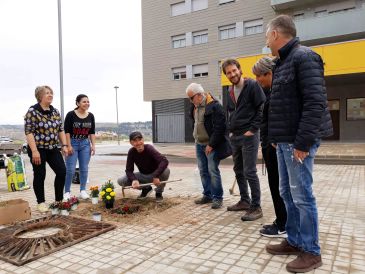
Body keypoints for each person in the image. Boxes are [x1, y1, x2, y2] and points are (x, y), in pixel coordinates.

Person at [265, 15, 333, 273]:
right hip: (284, 142)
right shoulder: (281, 62)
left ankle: (311, 251)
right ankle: (294, 240)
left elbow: (315, 103)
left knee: (302, 196)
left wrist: (302, 142)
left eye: (265, 35)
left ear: (274, 34)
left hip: (298, 142)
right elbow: (282, 107)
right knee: (287, 193)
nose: (265, 40)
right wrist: (275, 139)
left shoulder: (305, 57)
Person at [222, 58, 266, 221]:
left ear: (240, 70)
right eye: (228, 72)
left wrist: (253, 130)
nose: (232, 74)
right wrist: (230, 131)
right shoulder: (230, 91)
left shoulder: (252, 86)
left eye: (234, 70)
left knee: (250, 171)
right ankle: (245, 201)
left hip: (249, 135)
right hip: (236, 136)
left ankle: (256, 207)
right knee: (238, 170)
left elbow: (261, 108)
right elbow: (231, 112)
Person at [252, 57, 287, 238]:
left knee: (279, 187)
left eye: (260, 76)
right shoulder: (271, 91)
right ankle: (281, 220)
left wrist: (272, 140)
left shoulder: (278, 92)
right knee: (276, 186)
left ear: (269, 73)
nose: (258, 80)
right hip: (269, 146)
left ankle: (283, 224)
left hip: (275, 147)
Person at [186, 83, 231, 209]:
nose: (190, 101)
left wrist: (211, 144)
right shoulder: (194, 107)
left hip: (210, 145)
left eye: (191, 98)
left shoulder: (215, 106)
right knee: (203, 171)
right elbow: (195, 123)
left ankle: (217, 198)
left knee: (212, 171)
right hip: (199, 144)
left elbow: (220, 128)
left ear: (199, 95)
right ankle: (208, 195)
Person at [24, 85, 68, 213]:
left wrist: (64, 145)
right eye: (47, 93)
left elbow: (60, 129)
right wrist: (34, 151)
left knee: (62, 172)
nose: (50, 95)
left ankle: (58, 200)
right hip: (38, 149)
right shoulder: (33, 111)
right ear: (40, 96)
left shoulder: (55, 111)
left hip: (53, 148)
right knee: (40, 175)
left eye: (51, 93)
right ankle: (41, 203)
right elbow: (29, 132)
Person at [118, 131, 170, 201]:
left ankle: (158, 192)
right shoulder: (131, 152)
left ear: (143, 140)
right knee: (121, 180)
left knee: (166, 171)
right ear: (131, 143)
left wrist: (156, 175)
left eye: (140, 140)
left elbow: (164, 161)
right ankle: (146, 188)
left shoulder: (149, 148)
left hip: (155, 174)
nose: (138, 143)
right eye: (135, 141)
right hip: (143, 175)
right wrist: (134, 180)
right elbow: (129, 170)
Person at [63, 94, 96, 200]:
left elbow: (92, 132)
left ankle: (82, 190)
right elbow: (67, 131)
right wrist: (68, 145)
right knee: (70, 170)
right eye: (84, 102)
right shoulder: (71, 114)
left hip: (85, 144)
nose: (87, 103)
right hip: (73, 143)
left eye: (88, 101)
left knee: (84, 169)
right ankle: (67, 192)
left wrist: (93, 145)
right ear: (77, 103)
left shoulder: (91, 116)